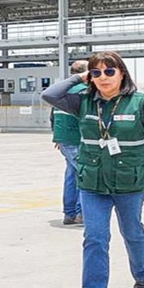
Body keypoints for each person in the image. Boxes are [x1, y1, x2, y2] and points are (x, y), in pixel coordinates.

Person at [43, 51, 144, 288]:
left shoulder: (140, 103)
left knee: (132, 231)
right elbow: (50, 96)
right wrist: (80, 76)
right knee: (95, 238)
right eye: (97, 72)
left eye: (109, 71)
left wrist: (142, 167)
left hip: (129, 184)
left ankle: (143, 274)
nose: (103, 77)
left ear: (122, 73)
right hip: (92, 184)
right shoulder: (83, 101)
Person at [50, 60, 88, 226]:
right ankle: (81, 213)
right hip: (77, 139)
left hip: (64, 139)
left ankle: (69, 213)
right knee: (84, 175)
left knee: (72, 175)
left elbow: (53, 116)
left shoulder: (61, 91)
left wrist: (58, 136)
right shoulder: (84, 91)